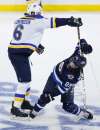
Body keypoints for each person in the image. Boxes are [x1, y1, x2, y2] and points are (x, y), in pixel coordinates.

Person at [8, 2, 83, 117]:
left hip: (17, 52)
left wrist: (36, 44)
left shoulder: (19, 20)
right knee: (24, 81)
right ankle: (16, 107)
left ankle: (24, 102)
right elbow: (54, 21)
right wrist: (70, 20)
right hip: (19, 55)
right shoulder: (38, 21)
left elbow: (25, 35)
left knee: (27, 79)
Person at [29, 39, 93, 120]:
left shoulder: (74, 77)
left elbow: (62, 89)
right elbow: (81, 41)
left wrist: (51, 95)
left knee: (67, 106)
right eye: (72, 61)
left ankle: (82, 113)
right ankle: (34, 112)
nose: (71, 64)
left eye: (74, 65)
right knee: (44, 97)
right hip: (53, 76)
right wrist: (84, 46)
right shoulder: (77, 54)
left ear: (78, 67)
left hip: (63, 85)